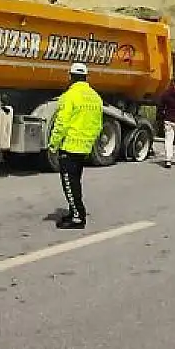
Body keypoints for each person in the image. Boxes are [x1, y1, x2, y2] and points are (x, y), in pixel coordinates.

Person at [48, 62, 104, 230]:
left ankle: (78, 217)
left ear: (70, 77)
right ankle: (74, 212)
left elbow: (61, 123)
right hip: (85, 146)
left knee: (69, 183)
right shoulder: (95, 97)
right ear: (86, 77)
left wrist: (53, 144)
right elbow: (98, 124)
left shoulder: (69, 96)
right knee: (75, 182)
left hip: (70, 146)